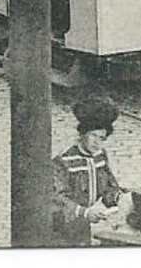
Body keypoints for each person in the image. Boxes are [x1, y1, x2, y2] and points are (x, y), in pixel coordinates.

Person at [51, 97, 126, 246]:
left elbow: (109, 187)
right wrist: (84, 212)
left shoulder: (100, 156)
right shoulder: (64, 161)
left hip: (85, 222)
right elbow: (57, 199)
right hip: (64, 222)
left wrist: (120, 199)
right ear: (82, 134)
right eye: (93, 136)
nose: (97, 143)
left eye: (102, 138)